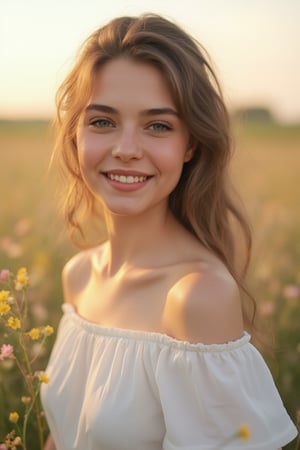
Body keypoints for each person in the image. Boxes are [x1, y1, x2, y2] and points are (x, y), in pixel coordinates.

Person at [41, 13, 298, 450]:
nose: (125, 150)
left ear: (191, 144)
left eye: (157, 125)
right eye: (102, 121)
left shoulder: (197, 297)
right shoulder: (79, 275)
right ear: (75, 136)